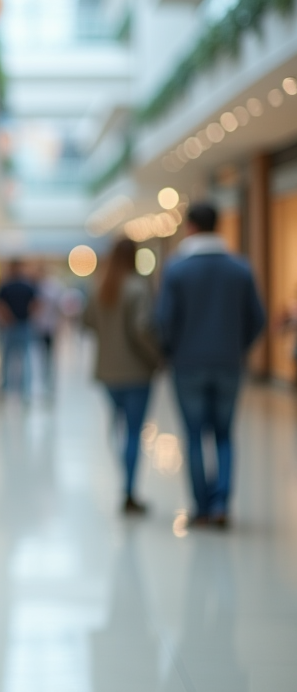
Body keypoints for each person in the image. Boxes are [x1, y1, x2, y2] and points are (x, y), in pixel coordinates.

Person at [156, 202, 264, 528]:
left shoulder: (176, 269)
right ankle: (221, 506)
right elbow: (257, 319)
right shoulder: (240, 268)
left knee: (193, 436)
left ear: (189, 227)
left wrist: (172, 351)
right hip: (229, 363)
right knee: (224, 435)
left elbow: (164, 320)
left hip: (187, 365)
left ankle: (201, 508)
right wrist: (236, 346)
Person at [83, 238, 160, 514]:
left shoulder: (100, 287)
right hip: (136, 371)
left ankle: (124, 480)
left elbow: (88, 322)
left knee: (118, 427)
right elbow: (142, 328)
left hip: (108, 371)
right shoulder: (138, 287)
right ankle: (129, 490)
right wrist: (157, 357)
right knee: (133, 432)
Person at [0, 258, 37, 400]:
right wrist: (29, 315)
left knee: (8, 358)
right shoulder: (28, 286)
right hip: (23, 324)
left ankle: (6, 388)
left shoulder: (6, 286)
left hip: (10, 326)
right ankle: (25, 390)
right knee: (24, 358)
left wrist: (7, 317)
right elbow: (36, 304)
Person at [33, 267, 65, 396]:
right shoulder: (39, 287)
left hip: (48, 326)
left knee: (47, 355)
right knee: (44, 354)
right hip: (43, 326)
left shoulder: (45, 287)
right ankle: (46, 380)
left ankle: (48, 380)